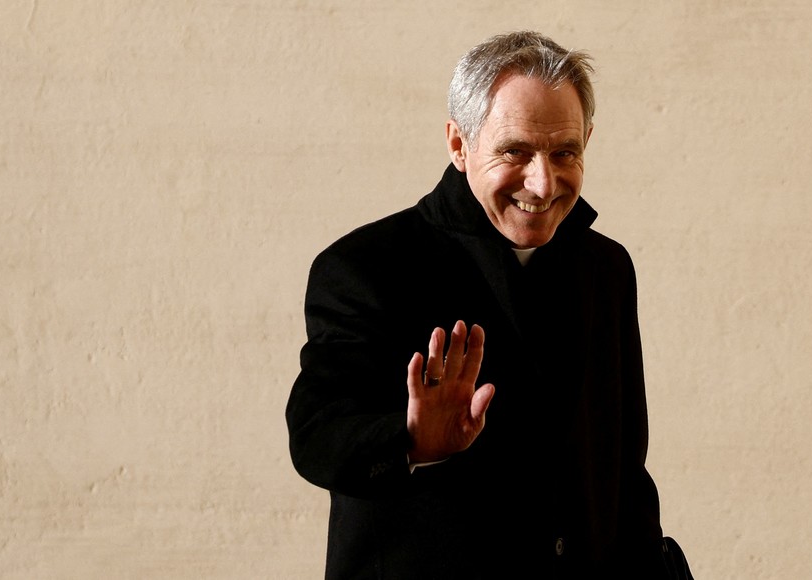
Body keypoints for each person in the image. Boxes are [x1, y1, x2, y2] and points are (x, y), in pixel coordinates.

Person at [286, 30, 694, 579]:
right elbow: (315, 439)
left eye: (564, 151)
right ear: (459, 144)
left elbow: (623, 473)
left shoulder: (607, 268)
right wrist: (411, 439)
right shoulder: (364, 267)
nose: (543, 182)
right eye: (515, 151)